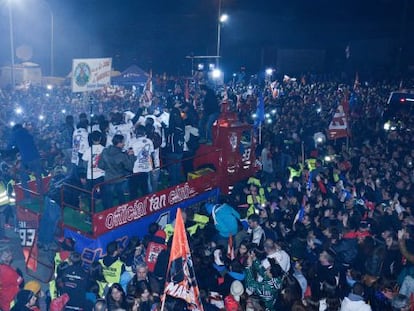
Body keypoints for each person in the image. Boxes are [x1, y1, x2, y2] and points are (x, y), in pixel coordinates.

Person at [98, 134, 135, 210]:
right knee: (121, 198)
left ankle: (108, 214)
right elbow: (130, 167)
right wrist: (131, 156)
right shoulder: (121, 156)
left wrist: (108, 169)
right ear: (119, 143)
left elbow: (100, 165)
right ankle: (122, 213)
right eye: (123, 142)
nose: (124, 144)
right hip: (120, 179)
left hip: (108, 178)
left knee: (108, 199)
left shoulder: (105, 151)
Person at [7, 122, 43, 199]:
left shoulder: (15, 134)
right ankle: (41, 195)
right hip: (36, 157)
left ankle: (28, 197)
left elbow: (9, 146)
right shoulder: (27, 132)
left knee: (23, 178)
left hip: (26, 159)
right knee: (38, 177)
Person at [130, 125, 154, 198]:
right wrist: (152, 166)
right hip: (146, 166)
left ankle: (135, 204)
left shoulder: (133, 142)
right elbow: (151, 154)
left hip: (136, 168)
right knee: (145, 187)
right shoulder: (149, 141)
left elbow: (130, 155)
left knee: (134, 189)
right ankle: (146, 202)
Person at [164, 107, 185, 185]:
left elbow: (168, 138)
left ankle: (174, 188)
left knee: (172, 171)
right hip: (180, 150)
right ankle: (177, 186)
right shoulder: (182, 124)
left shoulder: (171, 127)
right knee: (177, 170)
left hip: (172, 151)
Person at [0, 246, 24, 311]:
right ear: (5, 259)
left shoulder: (2, 268)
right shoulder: (10, 272)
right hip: (10, 297)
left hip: (2, 296)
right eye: (9, 255)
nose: (12, 255)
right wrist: (18, 271)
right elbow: (20, 282)